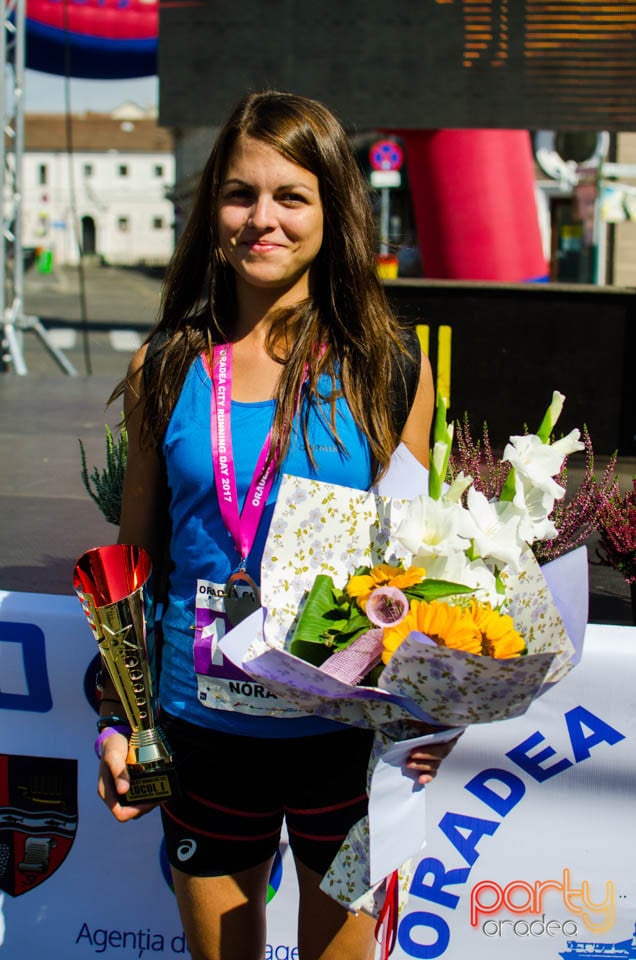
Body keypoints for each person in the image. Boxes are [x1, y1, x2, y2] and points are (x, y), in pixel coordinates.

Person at [96, 90, 456, 960]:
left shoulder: (390, 369)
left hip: (344, 747)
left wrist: (434, 717)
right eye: (239, 194)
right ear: (211, 208)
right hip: (201, 728)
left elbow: (427, 570)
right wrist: (118, 718)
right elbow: (131, 565)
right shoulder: (168, 365)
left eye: (291, 196)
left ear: (333, 207)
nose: (263, 219)